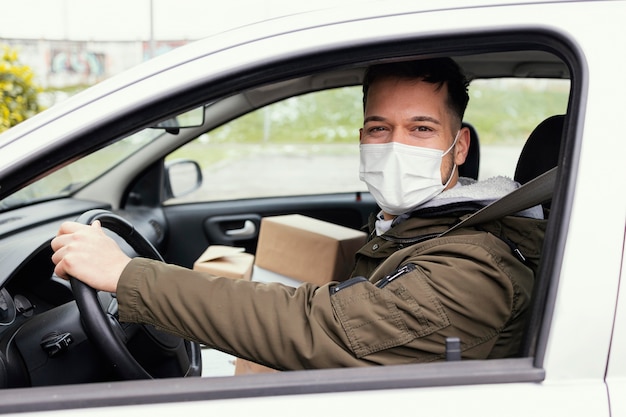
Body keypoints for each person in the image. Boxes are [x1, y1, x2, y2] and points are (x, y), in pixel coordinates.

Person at [51, 57, 546, 369]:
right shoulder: (411, 229)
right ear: (361, 139)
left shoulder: (477, 264)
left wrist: (129, 276)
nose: (394, 146)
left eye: (420, 129)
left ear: (459, 147)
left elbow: (320, 327)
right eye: (378, 129)